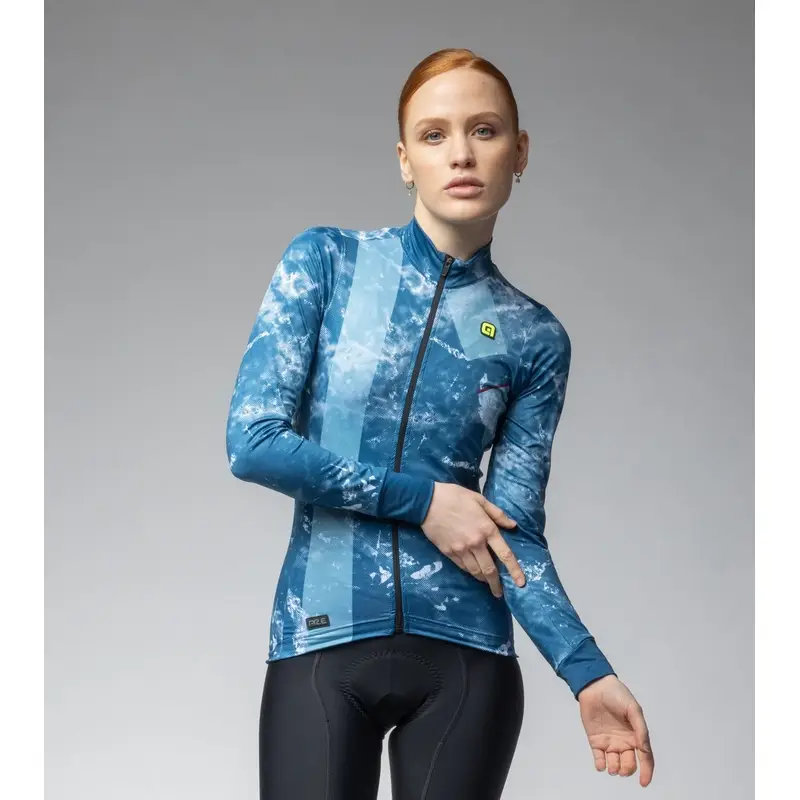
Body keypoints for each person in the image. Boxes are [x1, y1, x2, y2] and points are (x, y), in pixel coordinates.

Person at [226, 47, 654, 799]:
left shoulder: (533, 337)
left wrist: (588, 673)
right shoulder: (326, 262)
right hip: (320, 636)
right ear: (404, 159)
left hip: (466, 660)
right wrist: (425, 502)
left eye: (484, 130)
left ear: (520, 152)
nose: (461, 153)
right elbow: (254, 443)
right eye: (434, 134)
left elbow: (513, 533)